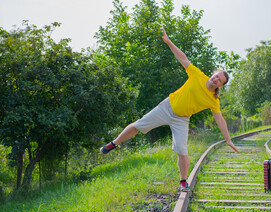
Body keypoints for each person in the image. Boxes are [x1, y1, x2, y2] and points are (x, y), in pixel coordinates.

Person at [100, 27, 238, 191]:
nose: (215, 79)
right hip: (167, 107)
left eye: (219, 80)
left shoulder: (214, 100)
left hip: (182, 119)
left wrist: (228, 139)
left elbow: (220, 119)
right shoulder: (197, 75)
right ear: (213, 74)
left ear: (221, 86)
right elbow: (182, 58)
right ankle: (114, 143)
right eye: (216, 76)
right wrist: (168, 42)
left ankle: (183, 181)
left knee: (181, 148)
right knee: (139, 125)